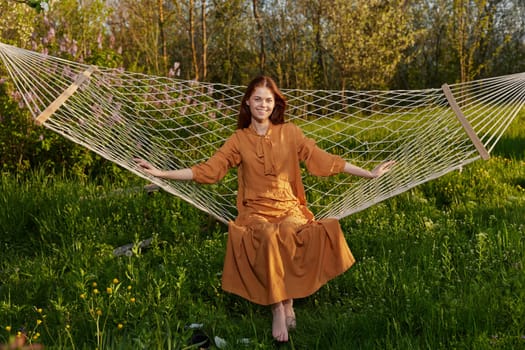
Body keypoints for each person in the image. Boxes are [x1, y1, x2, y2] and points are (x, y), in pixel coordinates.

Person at [134, 76, 395, 342]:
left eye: (268, 100)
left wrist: (368, 173)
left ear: (275, 104)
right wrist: (161, 173)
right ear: (248, 102)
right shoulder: (238, 139)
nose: (263, 104)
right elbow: (209, 169)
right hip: (255, 211)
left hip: (288, 206)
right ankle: (278, 306)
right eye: (257, 99)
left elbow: (321, 158)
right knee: (269, 237)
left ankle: (288, 301)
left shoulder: (290, 133)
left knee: (292, 233)